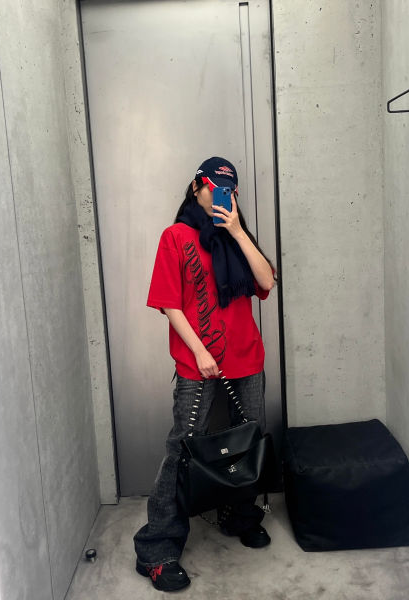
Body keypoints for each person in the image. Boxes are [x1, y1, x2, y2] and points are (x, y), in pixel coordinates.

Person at [133, 157, 276, 592]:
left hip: (246, 358)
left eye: (229, 190)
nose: (221, 196)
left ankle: (239, 515)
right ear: (197, 187)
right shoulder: (176, 236)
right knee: (183, 450)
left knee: (246, 443)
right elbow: (168, 303)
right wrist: (199, 351)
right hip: (198, 363)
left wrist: (237, 231)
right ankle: (157, 548)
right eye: (214, 187)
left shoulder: (237, 235)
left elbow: (267, 281)